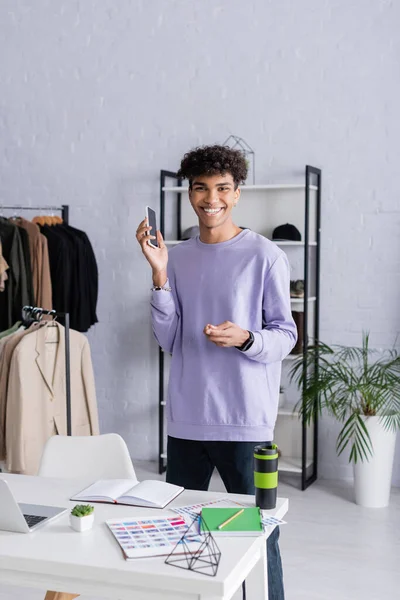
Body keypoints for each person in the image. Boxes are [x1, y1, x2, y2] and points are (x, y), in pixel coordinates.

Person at [136, 144, 297, 600]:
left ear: (237, 192)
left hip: (247, 424)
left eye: (222, 188)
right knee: (184, 533)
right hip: (187, 420)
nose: (212, 199)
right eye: (202, 188)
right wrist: (160, 277)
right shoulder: (177, 256)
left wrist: (247, 338)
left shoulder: (265, 255)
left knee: (259, 533)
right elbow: (169, 339)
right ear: (190, 193)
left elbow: (286, 335)